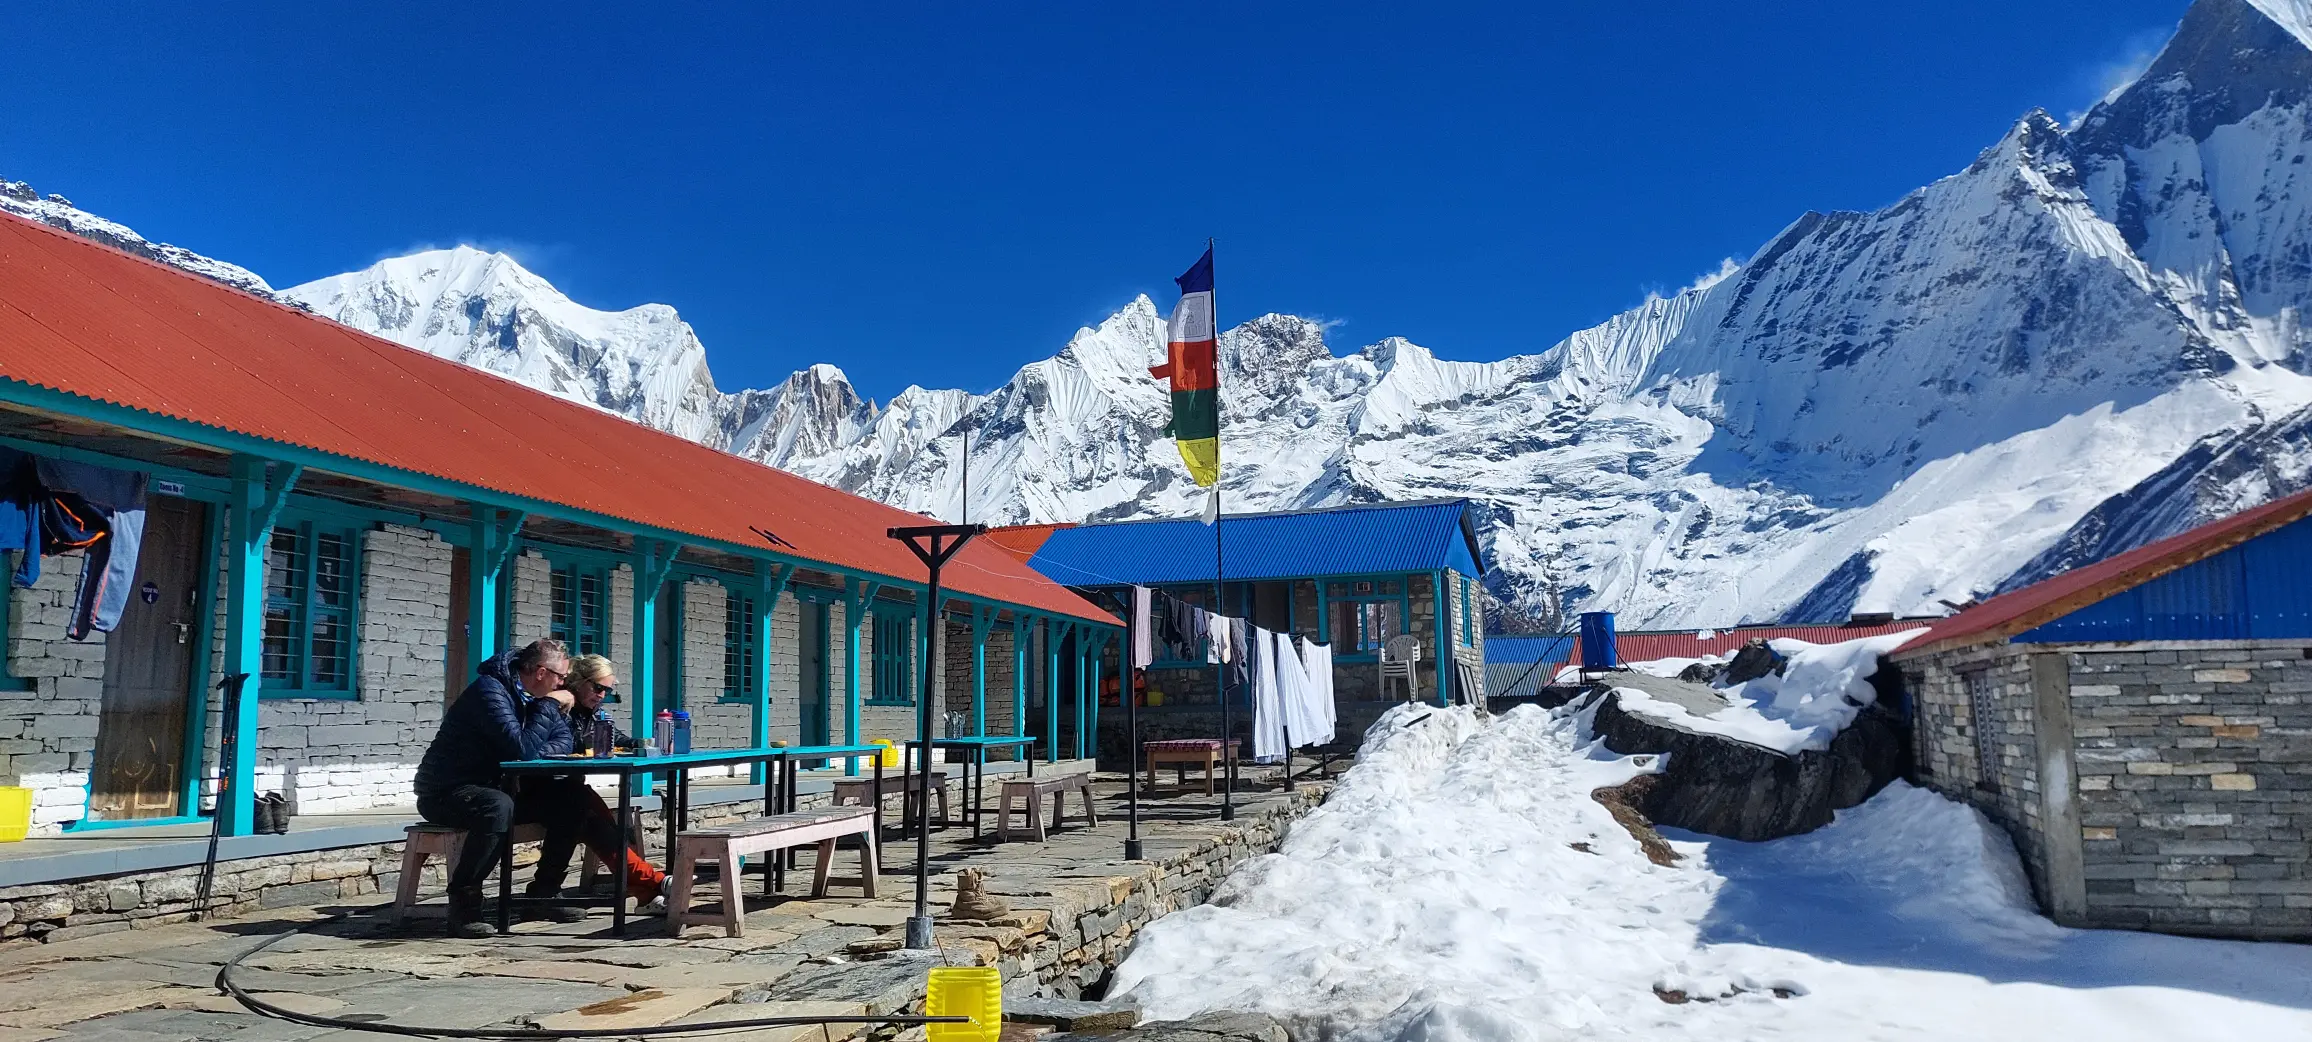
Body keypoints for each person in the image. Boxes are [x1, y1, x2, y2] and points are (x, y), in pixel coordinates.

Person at [413, 638, 583, 937]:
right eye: (561, 677)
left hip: (495, 787)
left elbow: (563, 742)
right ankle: (464, 908)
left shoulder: (531, 695)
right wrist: (547, 706)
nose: (563, 684)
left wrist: (537, 736)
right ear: (541, 673)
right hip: (447, 791)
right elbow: (521, 748)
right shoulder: (490, 691)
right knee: (497, 807)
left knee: (570, 799)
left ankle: (543, 895)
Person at [553, 654, 671, 901]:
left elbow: (615, 739)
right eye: (597, 688)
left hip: (570, 787)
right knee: (596, 822)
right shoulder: (559, 706)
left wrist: (641, 744)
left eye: (607, 690)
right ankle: (651, 882)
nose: (601, 695)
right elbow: (560, 746)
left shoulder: (593, 712)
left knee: (605, 824)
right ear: (578, 681)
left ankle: (646, 885)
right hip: (545, 787)